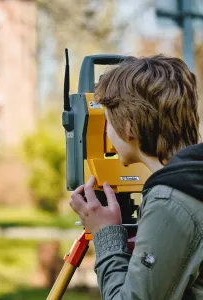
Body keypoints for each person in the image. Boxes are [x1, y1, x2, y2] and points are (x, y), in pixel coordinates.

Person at [69, 55, 203, 300]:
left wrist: (105, 234)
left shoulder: (171, 202)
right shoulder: (194, 180)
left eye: (108, 122)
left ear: (129, 128)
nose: (107, 133)